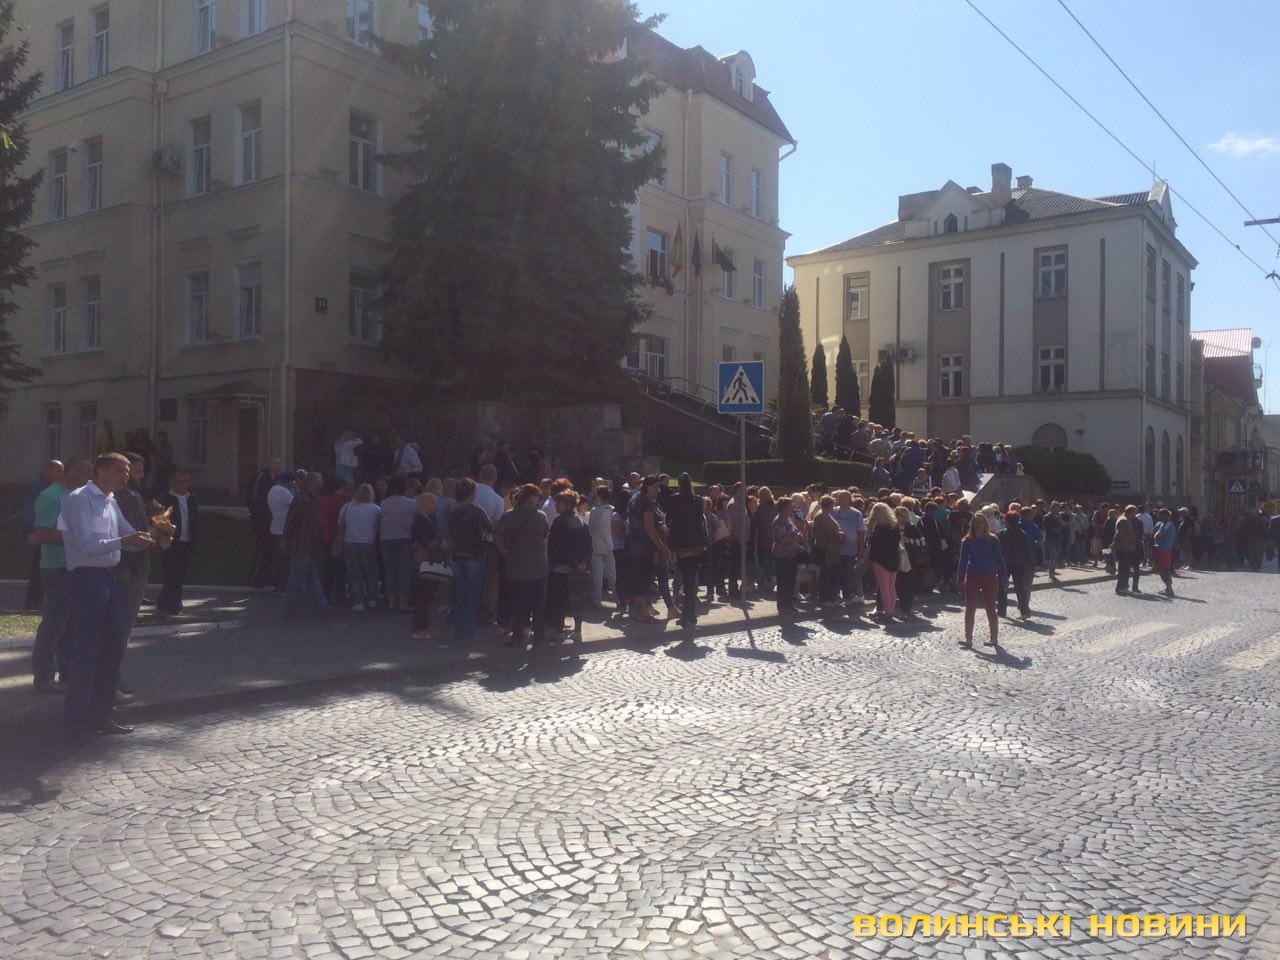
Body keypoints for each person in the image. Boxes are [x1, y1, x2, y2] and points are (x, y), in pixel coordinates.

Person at [59, 453, 155, 742]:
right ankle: (75, 722)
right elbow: (87, 545)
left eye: (127, 471)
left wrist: (153, 536)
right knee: (87, 651)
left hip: (110, 579)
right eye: (118, 470)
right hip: (86, 579)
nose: (125, 476)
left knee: (112, 650)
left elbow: (130, 538)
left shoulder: (111, 501)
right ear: (100, 470)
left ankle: (101, 716)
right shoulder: (79, 499)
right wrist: (126, 541)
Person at [30, 456, 92, 694]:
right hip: (56, 567)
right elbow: (43, 533)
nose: (89, 478)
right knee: (54, 623)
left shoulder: (77, 496)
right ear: (74, 471)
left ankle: (68, 673)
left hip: (76, 567)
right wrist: (77, 538)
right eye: (86, 472)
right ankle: (43, 676)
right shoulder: (50, 496)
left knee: (72, 625)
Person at [497, 483, 551, 648]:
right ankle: (539, 638)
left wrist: (503, 550)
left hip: (515, 565)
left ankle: (518, 637)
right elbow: (545, 535)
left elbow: (497, 533)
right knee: (538, 605)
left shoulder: (508, 515)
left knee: (518, 604)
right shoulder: (540, 516)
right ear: (533, 497)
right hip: (537, 566)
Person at [955, 512, 1007, 649]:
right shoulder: (967, 541)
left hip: (989, 575)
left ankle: (993, 637)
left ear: (985, 524)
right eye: (976, 522)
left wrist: (1004, 576)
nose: (979, 525)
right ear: (972, 524)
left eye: (981, 522)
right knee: (970, 607)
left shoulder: (993, 540)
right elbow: (963, 561)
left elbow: (1000, 559)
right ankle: (968, 638)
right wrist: (960, 578)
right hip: (973, 575)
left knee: (990, 607)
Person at [625, 476, 673, 623]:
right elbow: (650, 529)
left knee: (637, 579)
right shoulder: (646, 503)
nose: (658, 491)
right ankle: (642, 613)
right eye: (656, 487)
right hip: (643, 547)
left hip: (633, 545)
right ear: (647, 487)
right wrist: (663, 548)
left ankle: (636, 611)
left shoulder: (635, 498)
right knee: (643, 580)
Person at [281, 472, 328, 619]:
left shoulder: (313, 499)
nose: (321, 485)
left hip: (310, 544)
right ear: (312, 483)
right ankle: (290, 610)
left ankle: (322, 605)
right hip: (301, 544)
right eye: (319, 482)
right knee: (297, 578)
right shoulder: (302, 499)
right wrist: (286, 538)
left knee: (312, 577)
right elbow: (291, 520)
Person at [547, 491, 592, 639]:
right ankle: (577, 630)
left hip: (561, 567)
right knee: (577, 599)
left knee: (559, 600)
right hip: (579, 567)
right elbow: (588, 545)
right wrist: (584, 562)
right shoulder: (580, 521)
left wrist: (574, 563)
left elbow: (560, 546)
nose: (555, 506)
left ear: (566, 505)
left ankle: (559, 630)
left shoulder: (559, 522)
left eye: (558, 503)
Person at [667, 473, 709, 628]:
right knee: (691, 580)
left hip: (681, 543)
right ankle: (690, 614)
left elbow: (669, 520)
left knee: (687, 579)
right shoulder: (698, 499)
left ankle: (688, 615)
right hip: (696, 543)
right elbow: (700, 519)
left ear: (679, 484)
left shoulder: (675, 499)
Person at [154, 469, 197, 615]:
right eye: (180, 481)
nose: (184, 484)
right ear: (173, 482)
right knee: (172, 573)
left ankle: (164, 602)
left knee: (180, 574)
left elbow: (194, 518)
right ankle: (174, 604)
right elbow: (159, 520)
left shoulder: (191, 498)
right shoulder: (165, 498)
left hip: (187, 541)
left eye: (186, 481)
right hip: (171, 542)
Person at [23, 460, 63, 611]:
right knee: (38, 568)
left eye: (61, 471)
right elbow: (29, 510)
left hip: (52, 532)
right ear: (47, 470)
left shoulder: (56, 487)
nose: (60, 474)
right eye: (57, 471)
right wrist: (32, 531)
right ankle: (33, 603)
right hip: (42, 532)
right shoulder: (38, 487)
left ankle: (40, 601)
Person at [377, 477, 417, 612]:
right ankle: (403, 602)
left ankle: (391, 602)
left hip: (386, 539)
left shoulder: (384, 503)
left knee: (390, 572)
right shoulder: (411, 503)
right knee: (404, 572)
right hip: (405, 538)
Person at [340, 484, 381, 610]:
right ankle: (372, 599)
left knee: (354, 573)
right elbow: (379, 527)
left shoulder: (347, 507)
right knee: (370, 572)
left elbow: (340, 523)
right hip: (368, 542)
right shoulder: (376, 509)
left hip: (350, 541)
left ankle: (358, 602)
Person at [410, 492, 443, 639]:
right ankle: (420, 628)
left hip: (423, 561)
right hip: (426, 560)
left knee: (425, 595)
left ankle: (423, 626)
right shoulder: (422, 521)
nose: (435, 506)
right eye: (433, 502)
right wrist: (439, 541)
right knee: (424, 595)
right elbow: (427, 543)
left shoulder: (423, 519)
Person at [247, 456, 281, 587]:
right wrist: (256, 516)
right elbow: (254, 496)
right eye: (274, 464)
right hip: (261, 520)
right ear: (269, 464)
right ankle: (255, 578)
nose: (276, 466)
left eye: (278, 464)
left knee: (270, 550)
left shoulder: (277, 479)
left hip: (272, 520)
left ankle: (265, 577)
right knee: (260, 549)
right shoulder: (262, 477)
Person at [831, 490, 866, 607]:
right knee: (836, 572)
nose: (842, 500)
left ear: (849, 500)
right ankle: (836, 595)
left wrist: (860, 549)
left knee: (848, 573)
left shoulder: (856, 514)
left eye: (845, 498)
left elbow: (861, 532)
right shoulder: (833, 512)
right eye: (840, 498)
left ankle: (847, 595)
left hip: (850, 549)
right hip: (835, 548)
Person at [771, 501, 807, 614]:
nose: (792, 508)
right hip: (782, 555)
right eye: (790, 506)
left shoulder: (789, 520)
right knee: (783, 581)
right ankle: (782, 605)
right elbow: (782, 539)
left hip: (792, 554)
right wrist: (796, 538)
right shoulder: (778, 521)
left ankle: (789, 603)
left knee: (791, 580)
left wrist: (800, 535)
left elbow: (795, 531)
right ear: (783, 507)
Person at [997, 510, 1034, 618]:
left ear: (1006, 520)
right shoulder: (1022, 533)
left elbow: (997, 549)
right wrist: (1030, 563)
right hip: (1020, 563)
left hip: (1004, 564)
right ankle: (1025, 611)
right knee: (1020, 588)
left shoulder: (1001, 533)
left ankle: (1001, 611)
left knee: (1002, 588)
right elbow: (1027, 550)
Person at [810, 495, 844, 612]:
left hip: (832, 550)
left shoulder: (826, 515)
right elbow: (829, 532)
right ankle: (825, 599)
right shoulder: (821, 516)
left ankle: (832, 598)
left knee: (832, 575)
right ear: (829, 505)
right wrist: (839, 534)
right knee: (827, 575)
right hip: (827, 550)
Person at [867, 502, 900, 620]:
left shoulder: (879, 527)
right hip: (893, 558)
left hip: (881, 560)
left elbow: (875, 545)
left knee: (883, 587)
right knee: (891, 587)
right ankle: (891, 610)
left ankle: (887, 612)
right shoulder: (894, 525)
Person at [587, 486, 617, 607]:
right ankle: (618, 598)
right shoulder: (613, 510)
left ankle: (597, 601)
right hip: (611, 545)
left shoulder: (594, 511)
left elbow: (590, 528)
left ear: (598, 496)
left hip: (597, 545)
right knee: (612, 574)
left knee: (597, 575)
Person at [267, 470, 296, 593]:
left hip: (275, 527)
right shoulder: (284, 492)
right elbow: (295, 505)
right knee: (285, 559)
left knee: (279, 558)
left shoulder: (272, 490)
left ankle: (277, 584)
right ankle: (283, 585)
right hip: (284, 528)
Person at [895, 505, 925, 616]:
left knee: (908, 583)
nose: (896, 517)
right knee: (899, 583)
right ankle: (901, 604)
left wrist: (908, 540)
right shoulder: (893, 527)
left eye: (898, 514)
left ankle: (907, 607)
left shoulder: (911, 527)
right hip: (896, 558)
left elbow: (922, 542)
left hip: (910, 559)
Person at [1110, 505, 1141, 595]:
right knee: (1124, 569)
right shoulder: (1123, 520)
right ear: (1131, 512)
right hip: (1124, 548)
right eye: (1135, 513)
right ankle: (1121, 587)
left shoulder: (1125, 519)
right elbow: (1119, 534)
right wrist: (1114, 544)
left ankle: (1123, 586)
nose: (1135, 515)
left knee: (1125, 568)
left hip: (1127, 547)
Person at [1151, 508, 1178, 598]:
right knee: (1162, 568)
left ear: (1165, 515)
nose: (1158, 517)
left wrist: (1155, 535)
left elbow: (1158, 535)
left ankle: (1169, 588)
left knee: (1163, 568)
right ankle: (1168, 588)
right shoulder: (1163, 524)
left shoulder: (1167, 524)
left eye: (1160, 515)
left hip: (1163, 549)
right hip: (1163, 548)